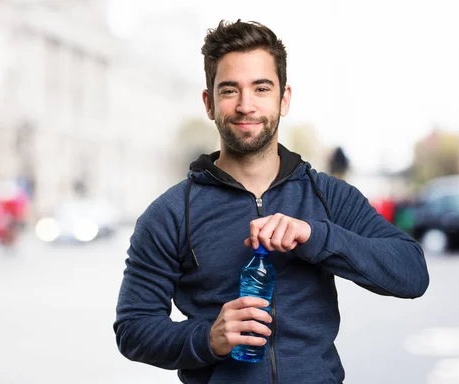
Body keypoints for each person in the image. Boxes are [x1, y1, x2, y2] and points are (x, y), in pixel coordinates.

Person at [114, 20, 429, 384]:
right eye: (230, 90)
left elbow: (412, 273)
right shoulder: (169, 214)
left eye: (261, 88)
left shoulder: (327, 195)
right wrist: (208, 338)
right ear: (209, 103)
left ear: (284, 98)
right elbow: (133, 328)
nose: (246, 105)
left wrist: (316, 237)